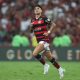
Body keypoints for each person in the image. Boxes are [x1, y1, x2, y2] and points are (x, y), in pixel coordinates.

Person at [30, 5, 65, 79]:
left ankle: (46, 65)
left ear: (41, 11)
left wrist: (48, 32)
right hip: (39, 41)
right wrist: (31, 27)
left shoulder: (44, 18)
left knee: (35, 53)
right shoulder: (32, 20)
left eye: (38, 8)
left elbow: (53, 24)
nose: (36, 10)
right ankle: (60, 69)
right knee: (51, 58)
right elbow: (31, 31)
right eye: (35, 9)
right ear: (34, 11)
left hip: (44, 40)